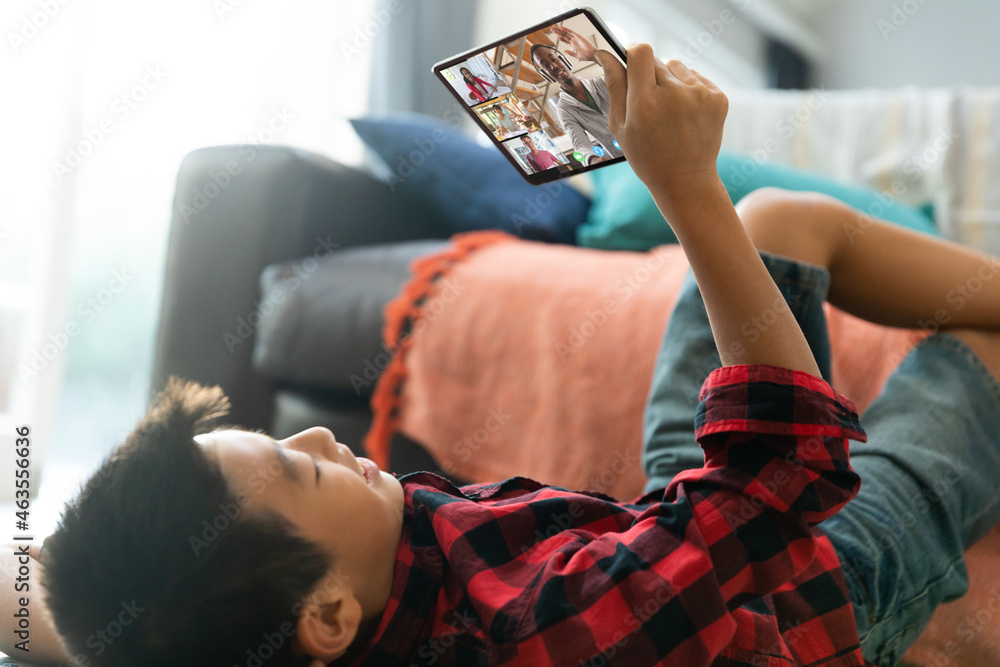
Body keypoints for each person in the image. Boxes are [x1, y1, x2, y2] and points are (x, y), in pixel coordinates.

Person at [16, 46, 1000, 667]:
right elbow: (784, 475)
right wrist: (680, 184)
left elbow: (74, 613)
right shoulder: (543, 634)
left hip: (662, 540)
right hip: (811, 590)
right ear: (321, 616)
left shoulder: (320, 598)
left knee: (776, 222)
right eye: (297, 464)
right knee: (977, 349)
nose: (318, 430)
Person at [531, 24, 624, 166]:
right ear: (545, 74)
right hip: (625, 158)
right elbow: (580, 144)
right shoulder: (564, 109)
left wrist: (594, 55)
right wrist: (592, 159)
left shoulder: (601, 83)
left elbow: (630, 79)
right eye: (545, 66)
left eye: (554, 59)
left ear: (563, 60)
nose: (553, 66)